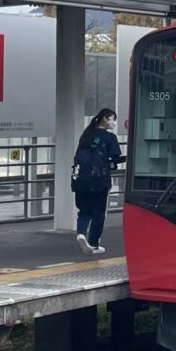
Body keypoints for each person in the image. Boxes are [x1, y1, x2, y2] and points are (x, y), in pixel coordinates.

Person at [71, 108, 124, 254]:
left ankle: (81, 233)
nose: (113, 122)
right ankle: (94, 243)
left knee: (84, 211)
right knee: (99, 212)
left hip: (81, 179)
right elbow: (115, 159)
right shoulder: (109, 138)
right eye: (113, 119)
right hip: (100, 180)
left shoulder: (86, 134)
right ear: (105, 119)